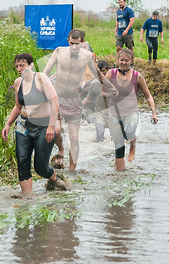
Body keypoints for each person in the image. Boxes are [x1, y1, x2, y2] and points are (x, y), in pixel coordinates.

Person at [43, 29, 117, 170]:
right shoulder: (58, 51)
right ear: (68, 41)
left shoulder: (88, 56)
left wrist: (111, 86)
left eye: (77, 44)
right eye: (72, 43)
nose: (74, 47)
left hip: (74, 99)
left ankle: (72, 169)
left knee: (74, 137)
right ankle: (61, 149)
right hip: (58, 98)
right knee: (56, 131)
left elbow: (99, 76)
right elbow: (45, 73)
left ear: (82, 42)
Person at [1, 53, 68, 194]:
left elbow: (54, 103)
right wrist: (8, 124)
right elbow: (18, 107)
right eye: (17, 66)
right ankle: (27, 199)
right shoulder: (18, 82)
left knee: (41, 168)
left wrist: (51, 127)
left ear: (31, 65)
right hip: (23, 126)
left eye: (22, 65)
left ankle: (55, 180)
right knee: (22, 162)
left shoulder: (41, 79)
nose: (19, 69)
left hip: (44, 126)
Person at [107, 48, 158, 170]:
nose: (124, 63)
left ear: (131, 61)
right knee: (118, 144)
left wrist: (154, 113)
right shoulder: (111, 73)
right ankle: (120, 175)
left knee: (129, 132)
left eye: (126, 60)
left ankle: (133, 145)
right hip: (114, 113)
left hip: (131, 112)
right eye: (121, 60)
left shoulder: (137, 76)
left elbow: (148, 95)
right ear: (117, 60)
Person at [81, 60, 111, 142]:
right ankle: (99, 152)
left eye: (103, 71)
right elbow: (88, 98)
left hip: (112, 112)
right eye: (99, 71)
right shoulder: (93, 83)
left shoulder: (115, 81)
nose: (102, 74)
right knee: (100, 134)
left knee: (114, 138)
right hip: (99, 113)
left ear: (108, 70)